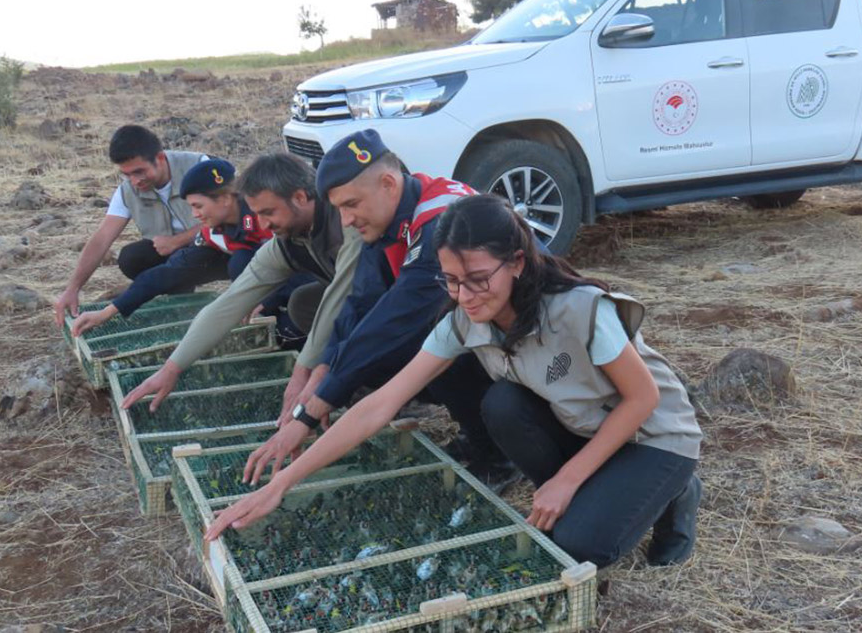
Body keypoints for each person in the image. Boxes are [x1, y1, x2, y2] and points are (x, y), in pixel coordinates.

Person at [204, 194, 704, 569]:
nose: (463, 295)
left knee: (577, 546)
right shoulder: (465, 319)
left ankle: (677, 488)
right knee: (502, 404)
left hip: (651, 433)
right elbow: (379, 405)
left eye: (478, 278)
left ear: (517, 262)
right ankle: (600, 485)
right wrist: (283, 484)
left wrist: (566, 480)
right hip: (587, 426)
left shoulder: (577, 308)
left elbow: (643, 398)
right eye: (450, 280)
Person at [124, 130, 519, 491]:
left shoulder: (439, 222)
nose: (347, 219)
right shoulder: (391, 215)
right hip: (478, 326)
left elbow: (393, 318)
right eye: (340, 209)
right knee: (392, 342)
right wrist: (326, 371)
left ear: (387, 183)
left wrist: (313, 406)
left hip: (522, 339)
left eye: (351, 205)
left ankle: (500, 457)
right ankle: (476, 434)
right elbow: (357, 304)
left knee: (430, 338)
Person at [119, 151, 361, 416]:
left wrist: (303, 372)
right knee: (304, 303)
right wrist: (171, 369)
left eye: (269, 212)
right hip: (358, 301)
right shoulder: (286, 242)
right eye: (257, 214)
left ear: (301, 198)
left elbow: (342, 294)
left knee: (322, 309)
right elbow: (230, 302)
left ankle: (380, 387)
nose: (263, 224)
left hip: (395, 303)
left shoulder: (346, 220)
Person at [68, 158, 310, 342]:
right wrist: (111, 311)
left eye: (198, 206)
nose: (194, 215)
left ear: (226, 198)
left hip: (312, 283)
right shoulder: (213, 232)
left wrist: (268, 300)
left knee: (249, 268)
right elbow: (169, 271)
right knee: (237, 263)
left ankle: (286, 326)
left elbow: (302, 266)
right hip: (269, 276)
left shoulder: (267, 217)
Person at [53, 125, 209, 324]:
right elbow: (102, 239)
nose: (135, 181)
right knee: (131, 258)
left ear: (160, 158)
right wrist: (72, 289)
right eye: (127, 174)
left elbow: (230, 218)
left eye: (139, 171)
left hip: (212, 247)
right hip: (174, 255)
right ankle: (179, 301)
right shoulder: (127, 191)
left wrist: (177, 241)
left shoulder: (198, 166)